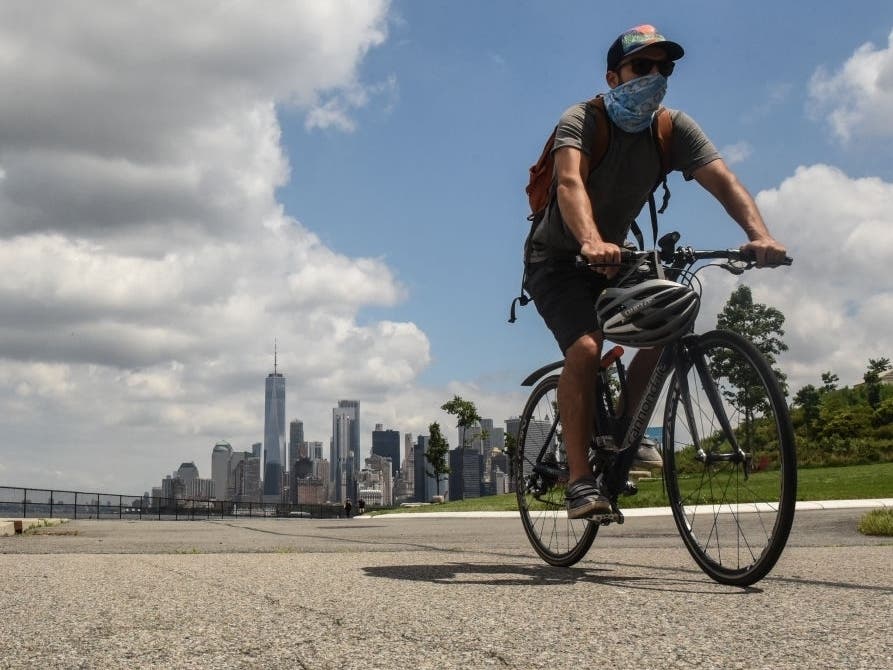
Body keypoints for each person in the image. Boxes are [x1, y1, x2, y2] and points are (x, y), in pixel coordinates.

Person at [524, 24, 788, 519]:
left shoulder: (672, 129)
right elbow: (569, 182)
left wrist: (760, 235)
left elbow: (723, 180)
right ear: (613, 76)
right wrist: (589, 240)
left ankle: (626, 435)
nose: (654, 76)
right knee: (585, 346)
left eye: (663, 68)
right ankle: (580, 479)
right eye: (641, 67)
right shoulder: (581, 119)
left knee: (670, 325)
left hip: (615, 257)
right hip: (557, 259)